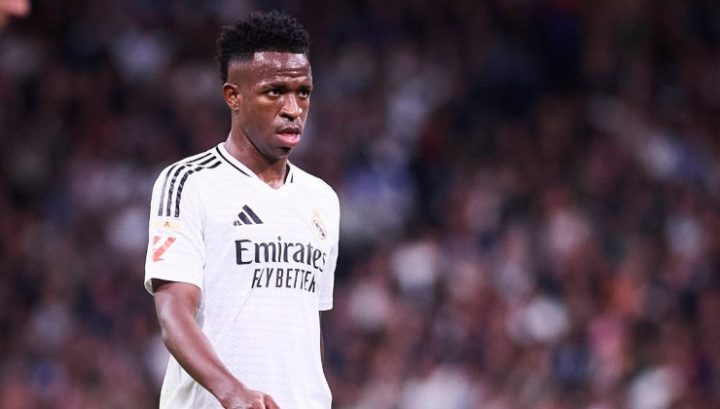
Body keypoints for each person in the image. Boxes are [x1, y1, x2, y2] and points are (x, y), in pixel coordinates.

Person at [144, 11, 339, 409]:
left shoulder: (321, 199)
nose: (293, 108)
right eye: (275, 91)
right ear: (234, 96)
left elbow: (307, 328)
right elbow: (173, 312)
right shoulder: (188, 182)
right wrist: (232, 391)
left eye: (303, 92)